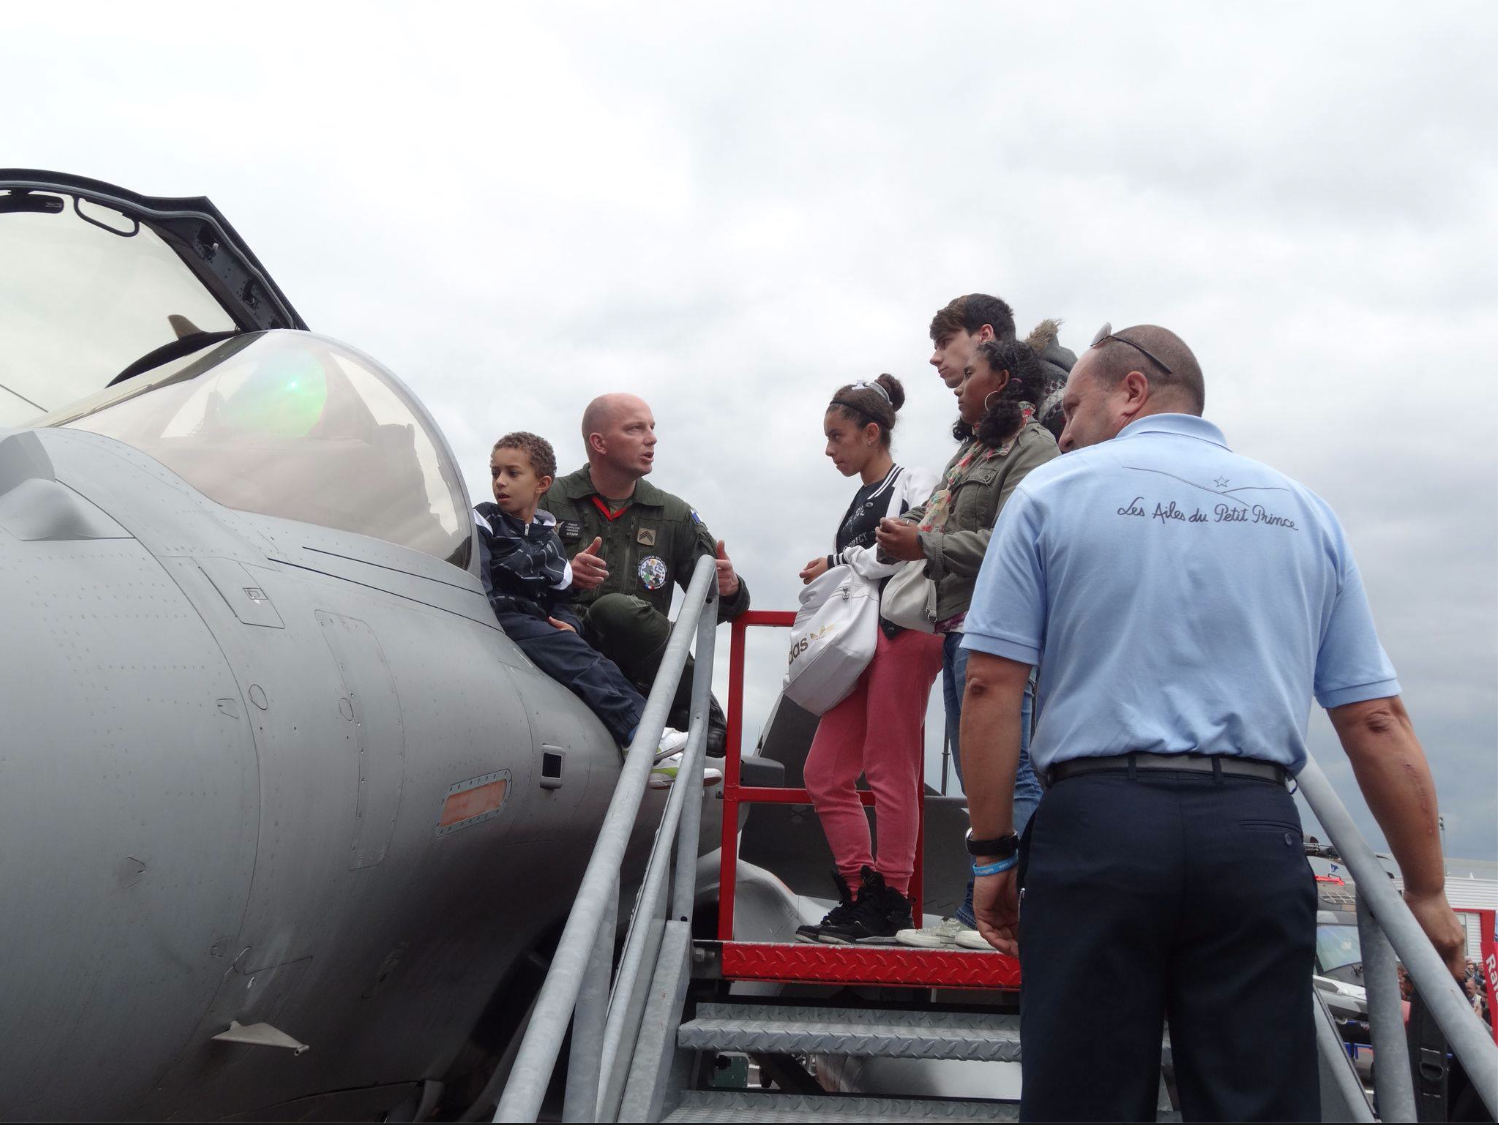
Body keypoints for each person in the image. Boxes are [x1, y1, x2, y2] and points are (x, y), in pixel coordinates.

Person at [958, 323, 1467, 1121]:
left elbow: (989, 684)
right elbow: (1373, 719)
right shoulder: (1304, 512)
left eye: (1073, 407)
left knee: (1079, 1101)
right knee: (1256, 1100)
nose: (1062, 429)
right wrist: (1428, 890)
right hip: (1252, 835)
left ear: (1132, 391)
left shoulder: (1050, 496)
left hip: (1097, 832)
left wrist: (992, 853)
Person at [877, 338, 1058, 951]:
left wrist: (922, 546)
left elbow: (1010, 545)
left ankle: (1000, 914)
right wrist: (909, 531)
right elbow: (945, 519)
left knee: (1015, 777)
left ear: (1001, 378)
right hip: (959, 624)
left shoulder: (1035, 448)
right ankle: (971, 914)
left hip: (1000, 631)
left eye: (968, 372)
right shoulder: (974, 447)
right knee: (982, 777)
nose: (956, 381)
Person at [476, 431, 717, 790]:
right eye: (496, 472)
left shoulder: (546, 533)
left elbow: (557, 597)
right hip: (504, 616)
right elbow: (483, 577)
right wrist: (568, 572)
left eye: (512, 473)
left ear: (541, 483)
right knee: (583, 661)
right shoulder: (485, 521)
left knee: (589, 653)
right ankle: (644, 732)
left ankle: (686, 732)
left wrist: (569, 623)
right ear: (599, 441)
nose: (500, 482)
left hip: (558, 626)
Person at [790, 375, 942, 944]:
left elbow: (907, 544)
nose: (829, 449)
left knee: (888, 767)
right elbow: (875, 555)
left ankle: (894, 898)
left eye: (837, 436)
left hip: (905, 632)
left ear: (871, 432)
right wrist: (844, 560)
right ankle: (859, 892)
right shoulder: (861, 495)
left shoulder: (916, 478)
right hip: (858, 642)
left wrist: (844, 558)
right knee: (824, 772)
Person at [540, 394, 750, 750]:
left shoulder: (673, 514)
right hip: (567, 639)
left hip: (639, 655)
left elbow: (725, 604)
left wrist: (729, 588)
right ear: (599, 442)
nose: (651, 438)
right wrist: (562, 573)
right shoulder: (549, 499)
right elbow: (508, 569)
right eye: (636, 429)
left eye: (652, 428)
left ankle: (699, 708)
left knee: (617, 610)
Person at [927, 293, 1077, 440]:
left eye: (945, 342)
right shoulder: (980, 412)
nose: (934, 358)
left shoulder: (1048, 384)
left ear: (984, 335)